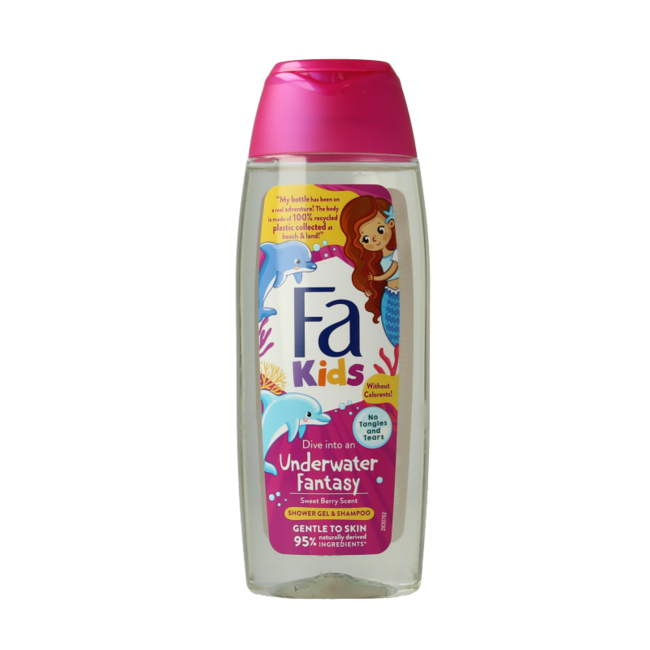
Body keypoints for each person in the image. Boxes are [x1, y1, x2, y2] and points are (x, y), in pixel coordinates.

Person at [340, 196, 399, 347]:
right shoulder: (375, 261)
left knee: (400, 337)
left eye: (380, 230)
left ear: (391, 223)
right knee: (392, 334)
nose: (375, 239)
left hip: (399, 295)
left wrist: (377, 279)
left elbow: (393, 269)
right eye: (365, 239)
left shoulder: (397, 254)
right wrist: (371, 289)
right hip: (389, 297)